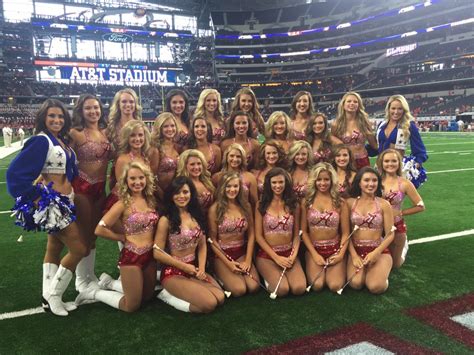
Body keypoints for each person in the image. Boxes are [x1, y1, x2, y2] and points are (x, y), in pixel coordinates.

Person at [7, 99, 87, 316]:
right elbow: (14, 175)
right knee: (79, 249)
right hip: (54, 203)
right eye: (52, 116)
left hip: (66, 200)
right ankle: (53, 295)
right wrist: (37, 197)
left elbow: (63, 171)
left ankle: (47, 298)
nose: (57, 120)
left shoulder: (60, 141)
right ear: (43, 117)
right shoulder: (41, 141)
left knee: (54, 248)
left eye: (60, 116)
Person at [76, 162, 158, 312]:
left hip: (150, 256)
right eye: (132, 179)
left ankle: (110, 283)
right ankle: (94, 293)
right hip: (132, 256)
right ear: (126, 181)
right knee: (131, 306)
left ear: (147, 179)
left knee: (147, 297)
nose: (137, 182)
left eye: (141, 178)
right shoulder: (122, 203)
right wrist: (121, 237)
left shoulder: (151, 200)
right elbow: (100, 229)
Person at [154, 176, 225, 313]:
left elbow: (203, 245)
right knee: (209, 304)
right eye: (177, 193)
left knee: (220, 297)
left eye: (185, 192)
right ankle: (167, 296)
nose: (181, 196)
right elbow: (157, 253)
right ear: (171, 195)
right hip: (173, 272)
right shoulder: (165, 220)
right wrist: (184, 267)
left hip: (195, 269)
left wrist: (202, 269)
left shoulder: (196, 214)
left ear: (191, 194)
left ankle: (187, 288)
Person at [69, 94, 111, 292]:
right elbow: (63, 158)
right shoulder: (75, 133)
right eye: (88, 108)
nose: (93, 111)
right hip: (82, 188)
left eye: (96, 107)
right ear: (81, 110)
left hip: (100, 188)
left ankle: (89, 275)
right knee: (83, 235)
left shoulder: (106, 132)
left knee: (93, 235)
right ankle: (80, 280)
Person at [255, 168, 306, 297]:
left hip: (289, 253)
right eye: (274, 183)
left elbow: (296, 235)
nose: (278, 186)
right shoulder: (261, 205)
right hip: (267, 256)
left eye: (281, 182)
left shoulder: (294, 205)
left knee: (299, 288)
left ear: (286, 183)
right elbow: (258, 236)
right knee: (282, 290)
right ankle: (267, 278)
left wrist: (293, 256)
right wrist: (276, 258)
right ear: (269, 184)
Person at [208, 172, 259, 296]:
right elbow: (212, 239)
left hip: (241, 252)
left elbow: (252, 235)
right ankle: (217, 274)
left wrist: (248, 260)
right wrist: (228, 263)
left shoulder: (246, 206)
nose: (232, 190)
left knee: (253, 286)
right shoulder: (215, 209)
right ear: (222, 188)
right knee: (239, 290)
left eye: (235, 186)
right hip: (222, 254)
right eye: (228, 186)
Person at [301, 163, 350, 292]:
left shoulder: (340, 202)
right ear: (314, 181)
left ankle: (342, 262)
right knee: (317, 285)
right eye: (319, 179)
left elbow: (346, 233)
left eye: (326, 179)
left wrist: (340, 254)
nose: (322, 183)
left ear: (332, 180)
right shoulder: (306, 202)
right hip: (314, 249)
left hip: (335, 248)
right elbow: (304, 232)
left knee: (335, 286)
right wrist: (314, 254)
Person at [346, 167, 394, 294]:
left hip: (379, 249)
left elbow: (390, 234)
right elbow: (346, 234)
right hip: (356, 250)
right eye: (366, 180)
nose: (371, 184)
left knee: (375, 287)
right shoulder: (349, 203)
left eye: (374, 180)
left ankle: (381, 272)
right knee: (356, 283)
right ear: (359, 183)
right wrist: (354, 256)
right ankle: (369, 271)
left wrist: (376, 253)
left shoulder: (384, 204)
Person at [377, 149, 425, 268]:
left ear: (399, 163)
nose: (390, 164)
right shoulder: (375, 180)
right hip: (376, 226)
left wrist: (401, 212)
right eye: (386, 161)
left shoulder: (405, 183)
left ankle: (403, 246)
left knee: (395, 265)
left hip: (396, 225)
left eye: (394, 161)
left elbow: (420, 206)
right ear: (381, 163)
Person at [376, 95, 428, 188]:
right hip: (380, 166)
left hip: (396, 168)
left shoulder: (408, 125)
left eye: (400, 109)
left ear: (404, 110)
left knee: (393, 198)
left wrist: (416, 164)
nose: (396, 112)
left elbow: (420, 150)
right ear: (388, 109)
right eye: (393, 108)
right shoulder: (382, 125)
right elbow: (376, 147)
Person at [104, 120, 151, 214]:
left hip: (140, 199)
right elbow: (122, 188)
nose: (137, 139)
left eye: (140, 135)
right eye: (133, 135)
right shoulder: (122, 160)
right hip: (123, 202)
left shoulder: (145, 157)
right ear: (127, 138)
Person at [105, 88, 141, 191]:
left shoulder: (140, 125)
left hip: (137, 170)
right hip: (117, 170)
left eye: (131, 101)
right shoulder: (111, 127)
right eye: (124, 101)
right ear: (118, 104)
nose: (128, 104)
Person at [331, 92, 377, 170]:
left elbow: (374, 145)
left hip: (362, 160)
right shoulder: (336, 124)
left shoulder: (365, 122)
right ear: (343, 104)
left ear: (359, 105)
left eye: (355, 102)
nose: (352, 103)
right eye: (349, 101)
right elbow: (333, 145)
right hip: (345, 162)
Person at [176, 149, 215, 214]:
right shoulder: (182, 185)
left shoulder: (207, 181)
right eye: (192, 164)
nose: (196, 167)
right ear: (185, 166)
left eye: (199, 163)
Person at [149, 112, 180, 195]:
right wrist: (162, 196)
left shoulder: (178, 147)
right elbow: (151, 177)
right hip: (159, 194)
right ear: (159, 128)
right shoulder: (155, 149)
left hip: (176, 193)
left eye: (172, 126)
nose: (170, 129)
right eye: (166, 126)